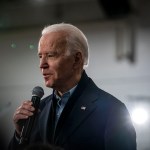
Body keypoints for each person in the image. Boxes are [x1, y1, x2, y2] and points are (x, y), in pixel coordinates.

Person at [8, 23, 136, 150]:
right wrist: (20, 134)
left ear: (76, 59)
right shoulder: (37, 110)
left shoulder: (113, 110)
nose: (42, 65)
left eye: (51, 55)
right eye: (40, 56)